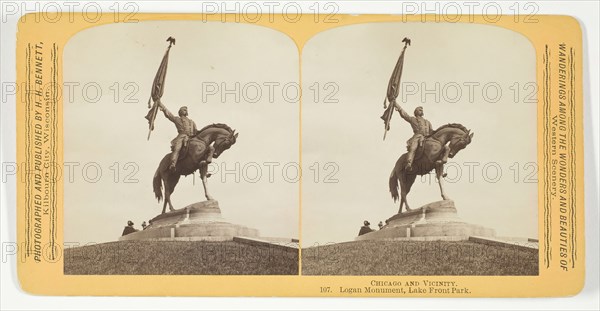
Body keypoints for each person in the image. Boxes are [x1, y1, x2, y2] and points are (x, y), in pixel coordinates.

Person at [394, 102, 434, 171]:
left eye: (422, 110)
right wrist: (398, 107)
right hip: (417, 136)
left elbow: (432, 131)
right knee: (413, 148)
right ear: (416, 112)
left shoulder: (427, 122)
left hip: (427, 137)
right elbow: (405, 115)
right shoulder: (413, 119)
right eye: (419, 110)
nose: (421, 110)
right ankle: (409, 163)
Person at [158, 102, 198, 171]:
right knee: (177, 149)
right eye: (183, 110)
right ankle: (173, 164)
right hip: (182, 136)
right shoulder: (177, 119)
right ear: (180, 112)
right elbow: (169, 115)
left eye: (186, 110)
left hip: (192, 137)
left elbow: (196, 131)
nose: (185, 111)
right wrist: (162, 106)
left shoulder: (192, 122)